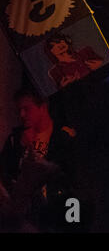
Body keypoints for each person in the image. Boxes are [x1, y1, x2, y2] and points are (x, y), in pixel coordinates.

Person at [0, 88, 79, 231]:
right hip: (21, 214)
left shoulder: (63, 137)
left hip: (50, 212)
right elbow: (6, 171)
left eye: (27, 109)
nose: (22, 115)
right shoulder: (15, 138)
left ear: (43, 107)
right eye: (19, 110)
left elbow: (69, 176)